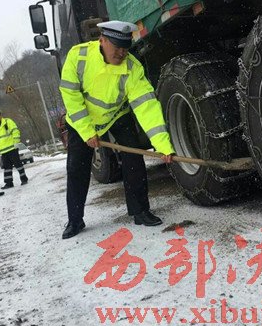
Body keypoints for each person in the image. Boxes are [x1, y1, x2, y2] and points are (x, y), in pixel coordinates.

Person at [59, 20, 175, 239]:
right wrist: (87, 132)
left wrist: (162, 145)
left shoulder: (132, 67)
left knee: (133, 158)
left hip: (116, 116)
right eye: (117, 47)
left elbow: (146, 107)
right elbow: (71, 96)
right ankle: (75, 220)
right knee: (77, 169)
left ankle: (140, 211)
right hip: (81, 120)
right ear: (102, 40)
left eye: (125, 48)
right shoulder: (78, 57)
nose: (122, 53)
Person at [0, 110, 28, 188]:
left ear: (0, 115)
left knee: (18, 165)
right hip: (4, 151)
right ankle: (9, 183)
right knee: (7, 168)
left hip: (12, 148)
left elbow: (15, 131)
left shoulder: (8, 121)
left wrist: (16, 142)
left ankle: (24, 179)